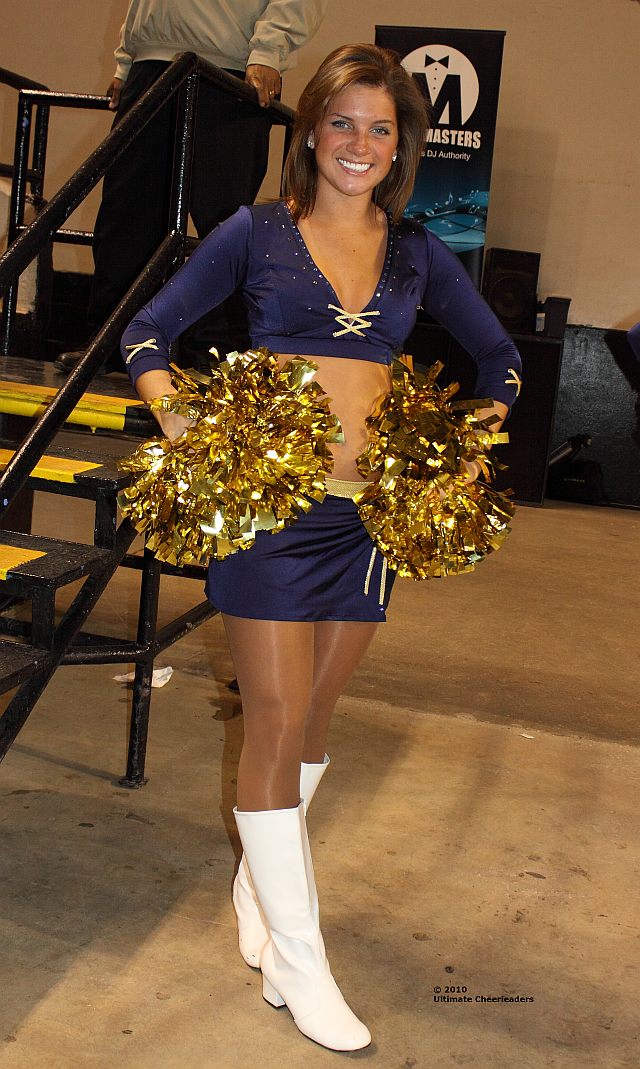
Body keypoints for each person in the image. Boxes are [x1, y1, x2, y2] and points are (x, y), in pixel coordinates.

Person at [120, 44, 522, 1051]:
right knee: (274, 717)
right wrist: (178, 417)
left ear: (402, 146)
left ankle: (258, 888)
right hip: (269, 513)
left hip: (368, 522)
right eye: (342, 121)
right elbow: (146, 333)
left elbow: (499, 357)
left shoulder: (418, 250)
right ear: (309, 132)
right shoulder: (255, 232)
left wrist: (467, 443)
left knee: (311, 724)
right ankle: (301, 964)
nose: (359, 142)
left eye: (380, 128)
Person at [55, 0, 327, 373]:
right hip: (152, 63)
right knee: (126, 216)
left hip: (232, 67)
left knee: (223, 223)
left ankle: (215, 359)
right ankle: (115, 343)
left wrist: (268, 50)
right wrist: (127, 61)